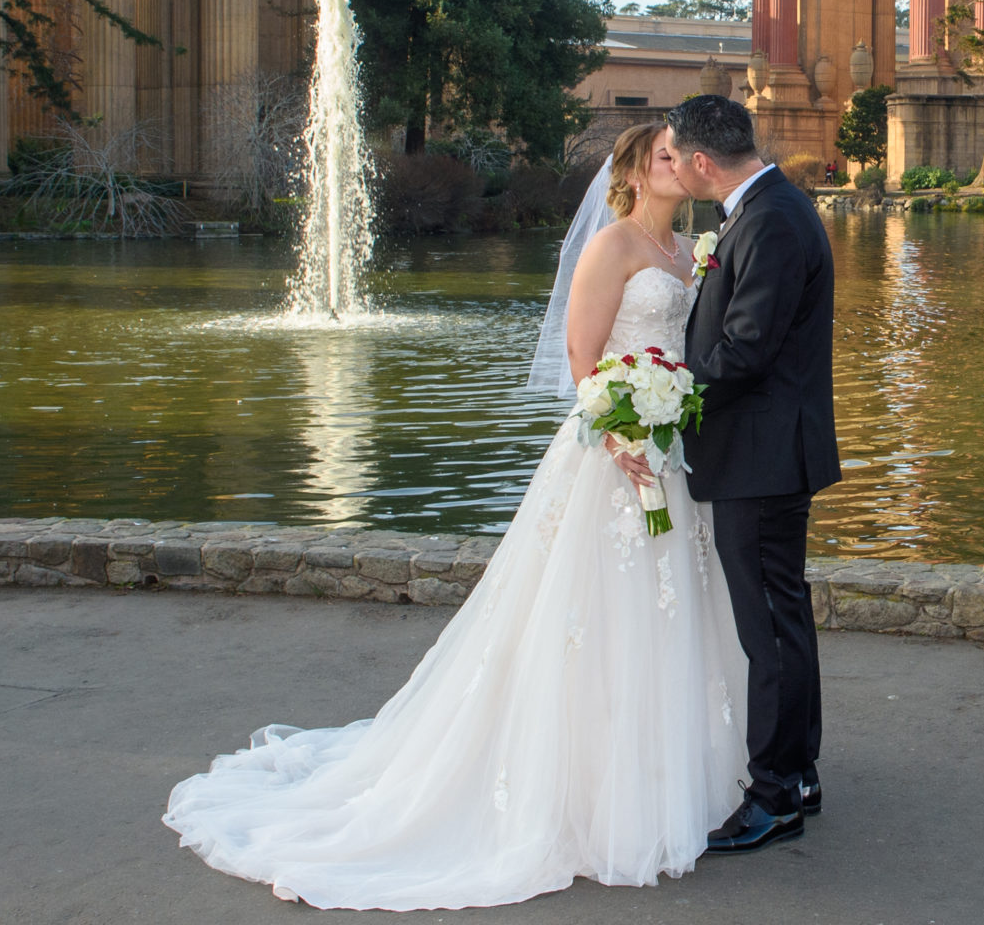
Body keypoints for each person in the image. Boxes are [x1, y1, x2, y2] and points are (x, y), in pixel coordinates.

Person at [163, 122, 747, 911]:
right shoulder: (611, 248)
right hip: (615, 458)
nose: (681, 164)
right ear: (635, 173)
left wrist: (667, 419)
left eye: (683, 153)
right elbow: (582, 358)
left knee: (671, 612)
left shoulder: (692, 251)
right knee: (592, 620)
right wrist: (616, 433)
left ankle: (665, 775)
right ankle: (580, 794)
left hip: (671, 454)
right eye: (666, 155)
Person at [663, 93, 842, 854]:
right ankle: (797, 772)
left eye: (676, 157)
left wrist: (666, 390)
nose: (673, 169)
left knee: (767, 630)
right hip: (767, 453)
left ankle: (773, 795)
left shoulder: (769, 219)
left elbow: (745, 348)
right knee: (783, 619)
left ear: (704, 162)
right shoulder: (767, 207)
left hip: (761, 460)